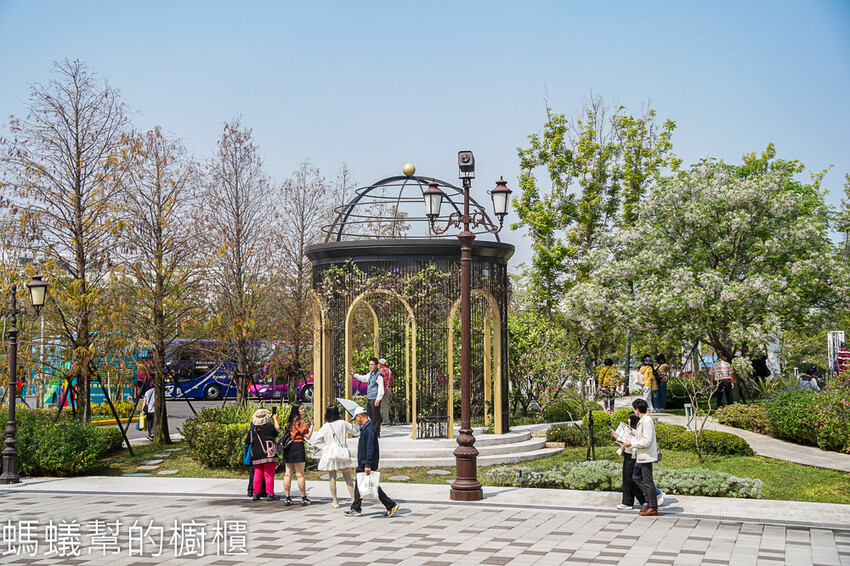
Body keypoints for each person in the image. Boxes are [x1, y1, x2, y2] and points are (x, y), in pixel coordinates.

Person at [345, 406, 398, 518]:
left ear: (359, 417)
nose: (356, 421)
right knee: (363, 483)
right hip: (365, 461)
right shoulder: (366, 428)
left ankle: (390, 505)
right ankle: (356, 508)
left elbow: (370, 448)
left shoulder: (369, 429)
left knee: (371, 485)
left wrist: (368, 464)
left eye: (356, 419)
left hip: (367, 462)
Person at [612, 412, 666, 510]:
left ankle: (652, 496)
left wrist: (618, 438)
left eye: (629, 418)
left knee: (632, 479)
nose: (628, 420)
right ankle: (635, 501)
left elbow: (631, 444)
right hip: (628, 456)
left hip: (633, 457)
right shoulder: (633, 430)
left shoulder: (640, 429)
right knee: (630, 479)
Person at [313, 405, 358, 508]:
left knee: (332, 477)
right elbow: (355, 431)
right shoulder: (343, 423)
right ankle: (354, 500)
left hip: (330, 454)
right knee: (348, 477)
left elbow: (318, 439)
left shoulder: (325, 426)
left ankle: (335, 501)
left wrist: (327, 441)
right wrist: (355, 422)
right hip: (342, 452)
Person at [622, 398, 659, 516]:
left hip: (646, 456)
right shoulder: (643, 420)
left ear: (637, 410)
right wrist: (631, 431)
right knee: (636, 477)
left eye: (634, 409)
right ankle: (649, 502)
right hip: (641, 456)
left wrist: (631, 444)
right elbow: (640, 435)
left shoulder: (646, 421)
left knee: (647, 481)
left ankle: (653, 505)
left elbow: (646, 441)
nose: (634, 411)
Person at [282, 402, 313, 506]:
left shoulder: (289, 422)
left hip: (288, 448)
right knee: (300, 475)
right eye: (301, 409)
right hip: (298, 446)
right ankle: (303, 498)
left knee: (288, 474)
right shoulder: (301, 422)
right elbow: (308, 436)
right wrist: (312, 425)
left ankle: (287, 498)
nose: (303, 410)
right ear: (297, 410)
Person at [246, 408, 280, 501]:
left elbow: (248, 441)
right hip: (268, 454)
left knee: (257, 474)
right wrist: (275, 419)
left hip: (256, 454)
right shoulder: (269, 426)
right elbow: (277, 431)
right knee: (268, 474)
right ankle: (270, 494)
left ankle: (255, 493)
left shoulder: (252, 429)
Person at [351, 357, 385, 437]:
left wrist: (378, 399)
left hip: (375, 398)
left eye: (372, 365)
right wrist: (354, 375)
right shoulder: (370, 374)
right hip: (370, 398)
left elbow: (381, 388)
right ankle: (371, 431)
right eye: (370, 365)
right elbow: (363, 378)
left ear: (376, 365)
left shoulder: (379, 375)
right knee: (369, 416)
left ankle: (376, 433)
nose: (370, 366)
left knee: (375, 417)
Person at [378, 358, 393, 425]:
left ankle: (385, 421)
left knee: (383, 405)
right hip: (389, 388)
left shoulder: (380, 371)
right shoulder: (389, 371)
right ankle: (383, 420)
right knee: (384, 404)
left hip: (383, 389)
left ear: (380, 364)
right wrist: (391, 392)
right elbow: (392, 382)